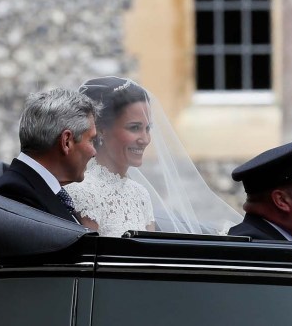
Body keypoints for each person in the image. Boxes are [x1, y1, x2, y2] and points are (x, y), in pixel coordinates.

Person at [66, 76, 241, 237]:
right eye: (134, 128)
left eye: (148, 128)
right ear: (102, 129)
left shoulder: (140, 194)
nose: (145, 139)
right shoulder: (82, 192)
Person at [0, 88, 100, 223]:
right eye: (91, 140)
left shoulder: (38, 188)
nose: (94, 152)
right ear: (66, 142)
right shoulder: (16, 194)